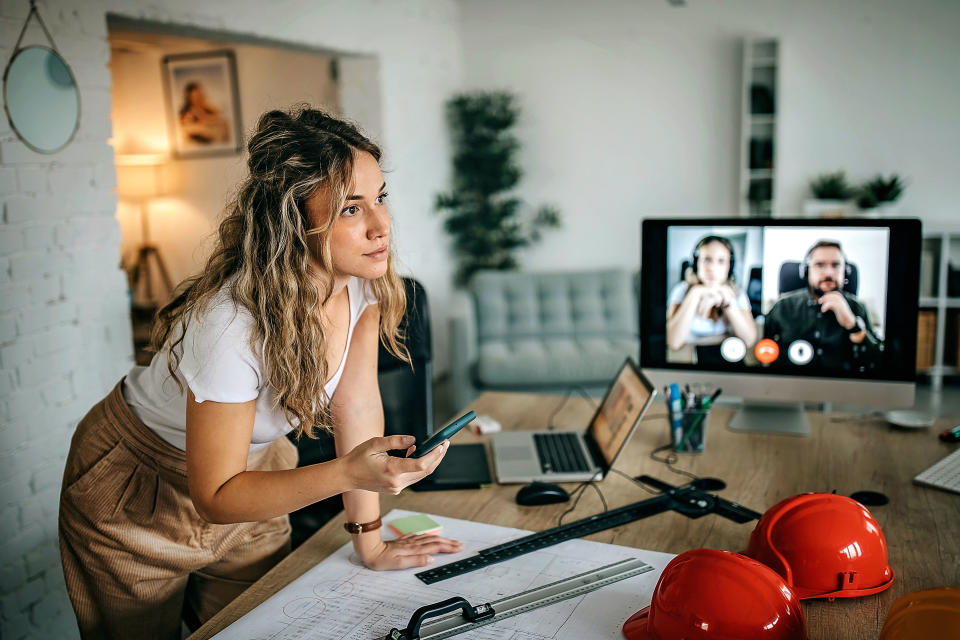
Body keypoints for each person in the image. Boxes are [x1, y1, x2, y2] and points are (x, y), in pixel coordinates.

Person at [58, 107, 462, 639]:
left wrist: (371, 541)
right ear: (293, 221)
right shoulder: (231, 325)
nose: (381, 225)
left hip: (257, 473)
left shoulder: (364, 283)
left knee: (259, 628)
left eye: (381, 198)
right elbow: (215, 495)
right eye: (349, 208)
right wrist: (347, 473)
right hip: (137, 487)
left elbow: (356, 407)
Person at [763, 240, 882, 371]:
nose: (829, 273)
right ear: (806, 271)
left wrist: (853, 325)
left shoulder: (857, 307)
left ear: (845, 272)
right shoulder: (783, 307)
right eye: (820, 265)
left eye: (836, 265)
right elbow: (763, 352)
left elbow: (877, 362)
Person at [666, 235, 757, 354]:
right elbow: (673, 342)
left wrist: (727, 301)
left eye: (721, 261)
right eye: (707, 260)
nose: (712, 268)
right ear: (696, 263)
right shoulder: (680, 290)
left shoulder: (738, 294)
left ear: (729, 267)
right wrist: (695, 293)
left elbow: (749, 341)